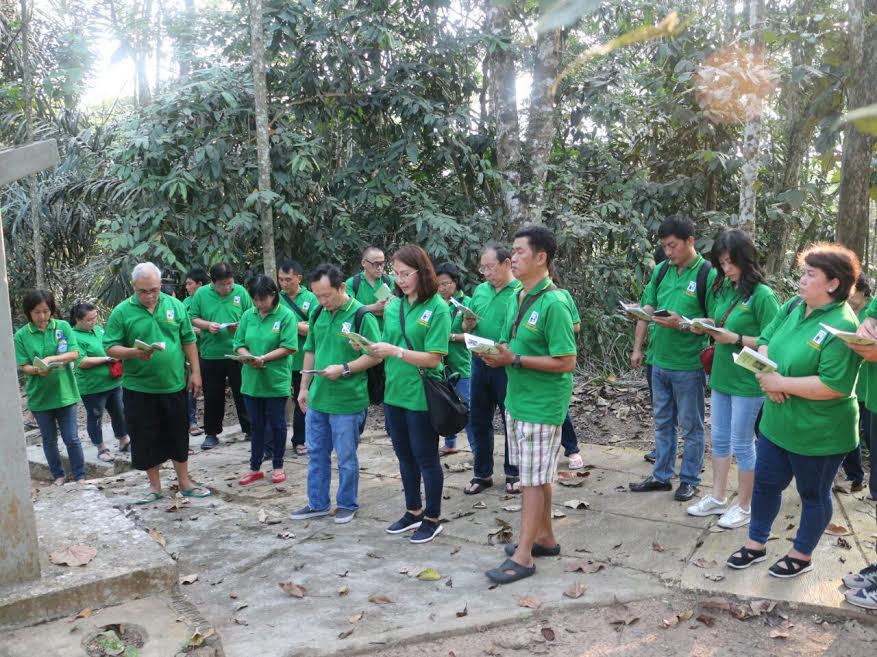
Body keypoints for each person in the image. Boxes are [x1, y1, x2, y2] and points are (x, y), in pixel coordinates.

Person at [726, 243, 861, 578]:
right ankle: (756, 544)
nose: (801, 280)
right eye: (803, 273)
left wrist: (780, 384)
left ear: (833, 284)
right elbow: (765, 339)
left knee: (813, 494)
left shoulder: (843, 325)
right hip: (777, 423)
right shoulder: (794, 305)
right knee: (766, 485)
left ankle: (801, 555)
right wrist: (771, 375)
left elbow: (834, 385)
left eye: (810, 275)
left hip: (819, 432)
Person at [480, 225, 577, 584]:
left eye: (520, 252)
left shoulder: (554, 303)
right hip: (517, 400)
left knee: (532, 482)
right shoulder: (520, 296)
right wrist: (497, 353)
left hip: (542, 403)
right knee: (538, 475)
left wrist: (515, 361)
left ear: (542, 258)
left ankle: (523, 557)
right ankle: (545, 538)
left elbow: (567, 361)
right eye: (513, 251)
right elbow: (512, 343)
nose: (513, 257)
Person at [686, 229, 779, 528]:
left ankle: (745, 505)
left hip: (748, 382)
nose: (726, 269)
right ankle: (717, 497)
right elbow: (719, 320)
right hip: (722, 376)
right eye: (722, 263)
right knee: (720, 439)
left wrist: (736, 337)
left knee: (742, 442)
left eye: (731, 262)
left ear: (746, 259)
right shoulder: (724, 287)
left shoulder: (763, 296)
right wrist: (705, 327)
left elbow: (773, 340)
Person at [364, 244, 451, 544]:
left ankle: (432, 517)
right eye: (396, 274)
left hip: (422, 395)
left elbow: (434, 358)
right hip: (394, 393)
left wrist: (396, 351)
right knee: (404, 456)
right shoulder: (393, 306)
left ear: (422, 272)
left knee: (426, 457)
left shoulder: (437, 307)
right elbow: (385, 349)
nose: (399, 280)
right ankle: (412, 510)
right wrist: (368, 348)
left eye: (405, 274)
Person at [104, 262, 210, 503]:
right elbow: (110, 346)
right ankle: (154, 486)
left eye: (154, 289)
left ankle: (184, 482)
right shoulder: (122, 312)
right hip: (139, 388)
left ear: (160, 285)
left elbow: (188, 340)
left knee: (178, 436)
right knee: (145, 437)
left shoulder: (174, 305)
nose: (150, 295)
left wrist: (196, 372)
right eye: (143, 291)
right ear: (134, 287)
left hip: (173, 385)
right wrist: (134, 352)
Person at [629, 215, 716, 502]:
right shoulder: (663, 270)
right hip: (659, 361)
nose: (668, 252)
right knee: (663, 421)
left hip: (688, 364)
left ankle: (690, 479)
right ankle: (661, 475)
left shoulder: (707, 273)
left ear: (690, 241)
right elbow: (648, 308)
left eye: (673, 246)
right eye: (665, 246)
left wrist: (683, 323)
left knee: (692, 425)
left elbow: (716, 320)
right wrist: (638, 348)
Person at [291, 264, 382, 523]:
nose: (322, 300)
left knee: (345, 457)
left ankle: (347, 503)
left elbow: (375, 355)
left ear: (341, 287)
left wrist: (345, 368)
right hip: (319, 398)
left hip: (348, 401)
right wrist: (304, 387)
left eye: (326, 295)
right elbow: (310, 350)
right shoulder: (318, 313)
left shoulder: (361, 315)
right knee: (316, 455)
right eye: (317, 295)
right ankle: (317, 503)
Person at [462, 243, 524, 495]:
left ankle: (513, 472)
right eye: (483, 268)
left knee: (510, 419)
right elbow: (468, 327)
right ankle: (482, 473)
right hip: (479, 362)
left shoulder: (520, 291)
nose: (485, 273)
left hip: (505, 365)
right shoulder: (480, 291)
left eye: (490, 267)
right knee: (478, 419)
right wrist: (467, 323)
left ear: (507, 264)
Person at [14, 290, 85, 485]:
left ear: (52, 310)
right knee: (49, 440)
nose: (42, 316)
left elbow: (74, 353)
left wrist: (51, 359)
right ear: (29, 313)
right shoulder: (21, 335)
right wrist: (37, 370)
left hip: (65, 394)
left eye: (46, 311)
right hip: (40, 398)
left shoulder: (62, 327)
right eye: (37, 312)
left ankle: (80, 476)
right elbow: (24, 365)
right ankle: (59, 476)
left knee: (72, 438)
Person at [233, 275, 297, 486]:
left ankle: (278, 465)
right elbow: (239, 343)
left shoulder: (286, 316)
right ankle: (255, 467)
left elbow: (289, 346)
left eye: (263, 299)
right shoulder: (247, 316)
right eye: (255, 300)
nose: (259, 304)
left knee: (278, 424)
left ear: (273, 295)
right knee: (256, 425)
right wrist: (246, 355)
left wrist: (264, 359)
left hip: (275, 380)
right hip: (251, 381)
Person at [188, 262, 253, 450]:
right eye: (223, 284)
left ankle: (250, 429)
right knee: (213, 395)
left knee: (243, 391)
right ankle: (211, 433)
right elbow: (192, 318)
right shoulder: (201, 294)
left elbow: (252, 315)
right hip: (211, 354)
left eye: (230, 283)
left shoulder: (240, 292)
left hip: (238, 353)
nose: (227, 288)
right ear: (213, 282)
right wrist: (208, 326)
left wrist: (240, 325)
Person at [70, 302, 130, 462]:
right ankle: (101, 447)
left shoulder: (98, 330)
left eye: (95, 318)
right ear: (78, 320)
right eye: (89, 320)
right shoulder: (73, 336)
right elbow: (81, 361)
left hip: (113, 382)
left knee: (119, 412)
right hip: (92, 387)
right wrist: (106, 359)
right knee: (95, 416)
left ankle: (124, 440)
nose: (94, 322)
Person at [278, 260, 318, 456]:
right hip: (280, 360)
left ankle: (300, 440)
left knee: (302, 399)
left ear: (299, 279)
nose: (284, 284)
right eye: (280, 280)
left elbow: (314, 329)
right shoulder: (276, 299)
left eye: (288, 279)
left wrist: (290, 325)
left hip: (303, 359)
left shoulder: (311, 298)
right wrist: (299, 325)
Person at [435, 262, 473, 456]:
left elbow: (474, 339)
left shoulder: (466, 304)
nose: (442, 288)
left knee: (467, 410)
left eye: (446, 284)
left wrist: (449, 337)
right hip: (441, 366)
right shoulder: (435, 304)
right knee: (445, 406)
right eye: (439, 284)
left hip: (461, 364)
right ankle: (450, 443)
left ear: (456, 283)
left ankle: (478, 454)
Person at [548, 263, 584, 470]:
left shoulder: (561, 296)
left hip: (556, 361)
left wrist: (552, 327)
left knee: (560, 410)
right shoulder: (521, 296)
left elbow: (576, 325)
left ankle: (572, 449)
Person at [840, 274, 872, 493]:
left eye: (853, 291)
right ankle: (854, 477)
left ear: (863, 291)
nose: (849, 296)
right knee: (848, 430)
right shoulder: (843, 309)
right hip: (849, 380)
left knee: (869, 435)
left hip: (868, 383)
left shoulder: (872, 313)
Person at [183, 267, 209, 436]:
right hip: (189, 353)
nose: (187, 287)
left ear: (200, 284)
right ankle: (192, 421)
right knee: (190, 387)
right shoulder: (184, 304)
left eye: (190, 283)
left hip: (208, 350)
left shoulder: (210, 300)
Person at [346, 245, 396, 330]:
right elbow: (348, 311)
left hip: (385, 334)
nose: (380, 268)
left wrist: (362, 309)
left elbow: (394, 309)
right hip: (362, 333)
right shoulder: (352, 283)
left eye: (382, 263)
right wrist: (374, 307)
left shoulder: (390, 281)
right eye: (376, 264)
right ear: (363, 263)